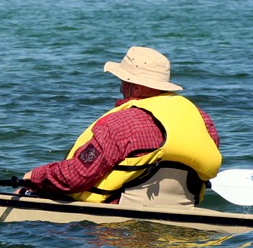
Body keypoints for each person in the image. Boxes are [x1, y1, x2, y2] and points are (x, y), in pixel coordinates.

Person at [21, 46, 221, 205]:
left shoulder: (121, 124)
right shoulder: (202, 120)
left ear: (136, 86)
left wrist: (34, 177)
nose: (120, 86)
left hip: (113, 233)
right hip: (180, 214)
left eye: (123, 80)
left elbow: (76, 177)